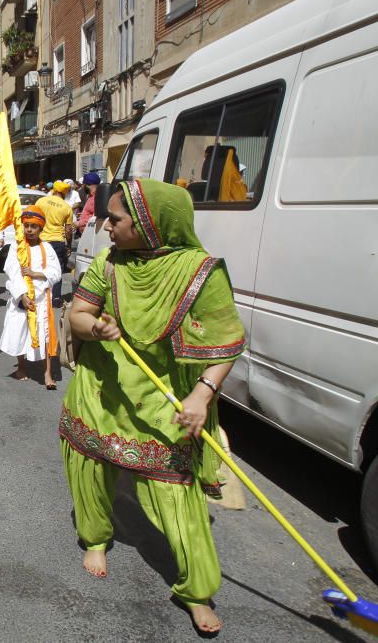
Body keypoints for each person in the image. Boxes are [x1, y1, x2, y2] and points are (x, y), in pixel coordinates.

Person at [60, 179, 246, 634]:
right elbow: (77, 315)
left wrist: (201, 396)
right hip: (102, 385)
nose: (105, 226)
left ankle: (196, 589)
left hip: (165, 393)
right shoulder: (109, 262)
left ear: (148, 225)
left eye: (116, 219)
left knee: (175, 490)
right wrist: (94, 328)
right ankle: (96, 537)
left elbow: (225, 343)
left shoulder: (202, 271)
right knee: (91, 466)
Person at [0, 205, 62, 387]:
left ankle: (47, 373)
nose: (30, 230)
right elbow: (12, 272)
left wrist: (36, 274)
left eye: (34, 226)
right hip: (21, 299)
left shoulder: (47, 247)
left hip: (41, 300)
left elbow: (56, 272)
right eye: (26, 226)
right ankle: (21, 367)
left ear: (41, 228)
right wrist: (23, 295)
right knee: (20, 333)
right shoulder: (17, 248)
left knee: (45, 337)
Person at [35, 181, 74, 309]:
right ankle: (56, 298)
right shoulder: (67, 207)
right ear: (65, 193)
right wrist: (69, 245)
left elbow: (34, 219)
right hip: (57, 241)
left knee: (38, 267)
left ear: (54, 190)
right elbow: (68, 230)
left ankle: (37, 295)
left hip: (40, 239)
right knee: (56, 269)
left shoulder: (41, 201)